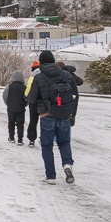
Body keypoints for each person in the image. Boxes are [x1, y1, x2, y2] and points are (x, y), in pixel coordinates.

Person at [27, 50, 78, 184]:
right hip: (64, 114)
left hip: (47, 115)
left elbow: (31, 98)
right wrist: (72, 114)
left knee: (47, 145)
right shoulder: (67, 75)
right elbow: (75, 95)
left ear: (41, 62)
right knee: (64, 142)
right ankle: (67, 165)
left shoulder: (39, 77)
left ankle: (51, 176)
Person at [2, 70, 26, 145]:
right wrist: (24, 105)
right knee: (20, 124)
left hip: (11, 108)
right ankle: (20, 140)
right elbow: (27, 98)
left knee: (11, 122)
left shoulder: (9, 86)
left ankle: (11, 137)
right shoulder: (24, 87)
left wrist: (8, 104)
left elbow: (5, 96)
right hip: (21, 108)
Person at [57, 60, 83, 126]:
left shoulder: (57, 75)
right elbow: (80, 81)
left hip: (60, 100)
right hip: (71, 98)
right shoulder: (70, 74)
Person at [23, 61, 40, 147]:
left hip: (34, 102)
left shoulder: (32, 76)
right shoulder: (46, 74)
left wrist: (26, 96)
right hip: (44, 101)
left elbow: (28, 89)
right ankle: (44, 138)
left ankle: (32, 139)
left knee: (33, 120)